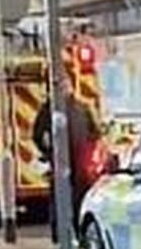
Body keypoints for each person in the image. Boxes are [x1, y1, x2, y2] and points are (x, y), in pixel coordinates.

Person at [33, 86, 99, 239]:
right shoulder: (51, 109)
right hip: (69, 160)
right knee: (66, 197)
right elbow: (37, 134)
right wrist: (48, 151)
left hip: (74, 160)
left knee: (70, 197)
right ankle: (65, 232)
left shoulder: (77, 108)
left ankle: (71, 232)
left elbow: (94, 133)